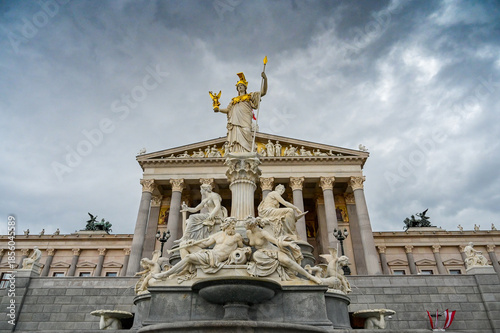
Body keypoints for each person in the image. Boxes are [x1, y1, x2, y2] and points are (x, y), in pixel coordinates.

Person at [154, 218, 244, 280]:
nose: (233, 228)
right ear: (226, 226)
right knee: (184, 244)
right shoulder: (218, 234)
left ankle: (166, 274)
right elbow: (205, 244)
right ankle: (187, 270)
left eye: (233, 226)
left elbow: (242, 248)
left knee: (189, 257)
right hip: (210, 253)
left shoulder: (237, 236)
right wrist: (192, 241)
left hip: (215, 258)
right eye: (232, 226)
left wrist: (244, 251)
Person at [245, 218, 321, 284]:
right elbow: (249, 243)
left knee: (287, 261)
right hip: (261, 253)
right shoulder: (248, 233)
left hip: (273, 251)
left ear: (252, 225)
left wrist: (289, 244)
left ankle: (310, 276)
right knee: (256, 255)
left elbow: (276, 241)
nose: (245, 227)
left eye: (246, 225)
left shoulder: (263, 233)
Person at [214, 72, 267, 153]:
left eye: (241, 86)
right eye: (238, 87)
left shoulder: (249, 96)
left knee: (247, 132)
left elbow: (263, 92)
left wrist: (265, 79)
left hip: (245, 120)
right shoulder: (234, 100)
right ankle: (236, 152)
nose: (240, 87)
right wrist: (219, 109)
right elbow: (228, 110)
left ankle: (248, 152)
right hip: (235, 122)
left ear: (245, 87)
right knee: (236, 139)